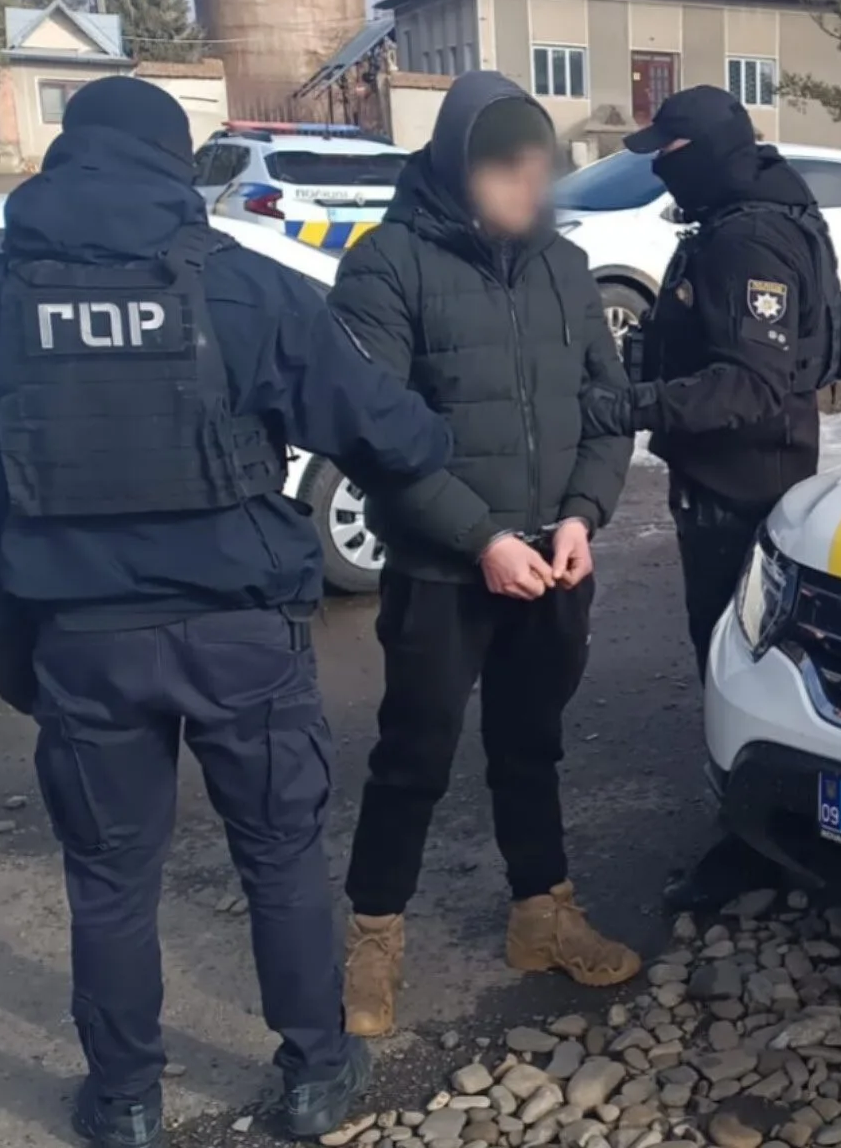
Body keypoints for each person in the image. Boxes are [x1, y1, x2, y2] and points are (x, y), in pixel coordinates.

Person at [0, 78, 455, 1147]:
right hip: (240, 632)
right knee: (278, 856)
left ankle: (126, 1099)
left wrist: (5, 636)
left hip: (83, 640)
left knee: (109, 879)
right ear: (176, 165)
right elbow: (391, 434)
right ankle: (314, 1074)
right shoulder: (244, 286)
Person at [328, 70, 639, 1038]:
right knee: (413, 755)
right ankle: (374, 937)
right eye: (506, 169)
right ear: (459, 167)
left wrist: (582, 513)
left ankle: (541, 915)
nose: (526, 186)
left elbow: (606, 407)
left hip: (553, 566)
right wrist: (482, 537)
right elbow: (373, 434)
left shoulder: (565, 266)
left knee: (530, 745)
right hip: (442, 570)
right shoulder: (387, 266)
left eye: (536, 167)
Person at [577, 86, 841, 909]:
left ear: (703, 155)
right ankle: (770, 825)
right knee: (752, 656)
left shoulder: (746, 238)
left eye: (668, 152)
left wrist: (632, 404)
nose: (659, 167)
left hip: (742, 485)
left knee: (735, 662)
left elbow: (751, 385)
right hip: (745, 475)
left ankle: (752, 845)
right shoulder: (759, 211)